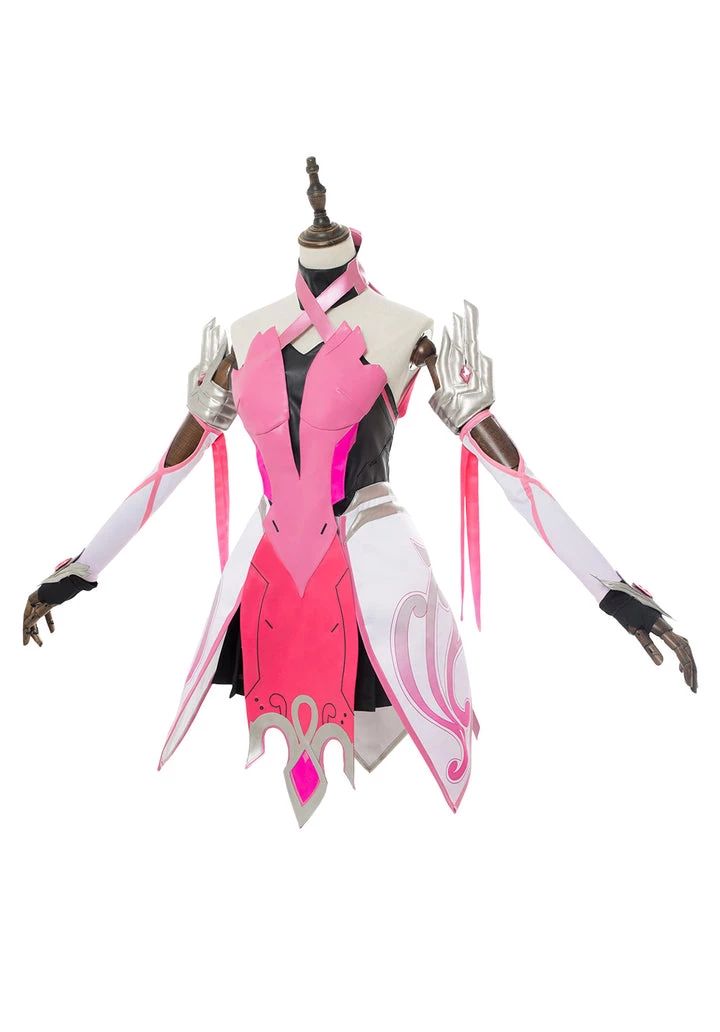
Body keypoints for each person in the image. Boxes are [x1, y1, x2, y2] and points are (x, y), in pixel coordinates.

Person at [22, 158, 697, 825]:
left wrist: (618, 596)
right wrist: (76, 574)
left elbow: (512, 477)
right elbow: (168, 472)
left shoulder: (406, 329)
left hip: (373, 573)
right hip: (266, 582)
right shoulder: (244, 333)